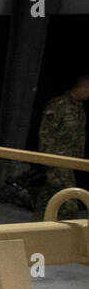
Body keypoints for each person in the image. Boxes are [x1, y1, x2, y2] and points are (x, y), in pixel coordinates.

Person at [33, 74, 89, 219]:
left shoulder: (79, 108)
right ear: (82, 88)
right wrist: (49, 158)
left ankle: (38, 222)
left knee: (50, 192)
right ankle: (69, 231)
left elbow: (78, 134)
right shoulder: (59, 105)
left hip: (69, 159)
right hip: (57, 157)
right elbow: (46, 133)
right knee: (69, 199)